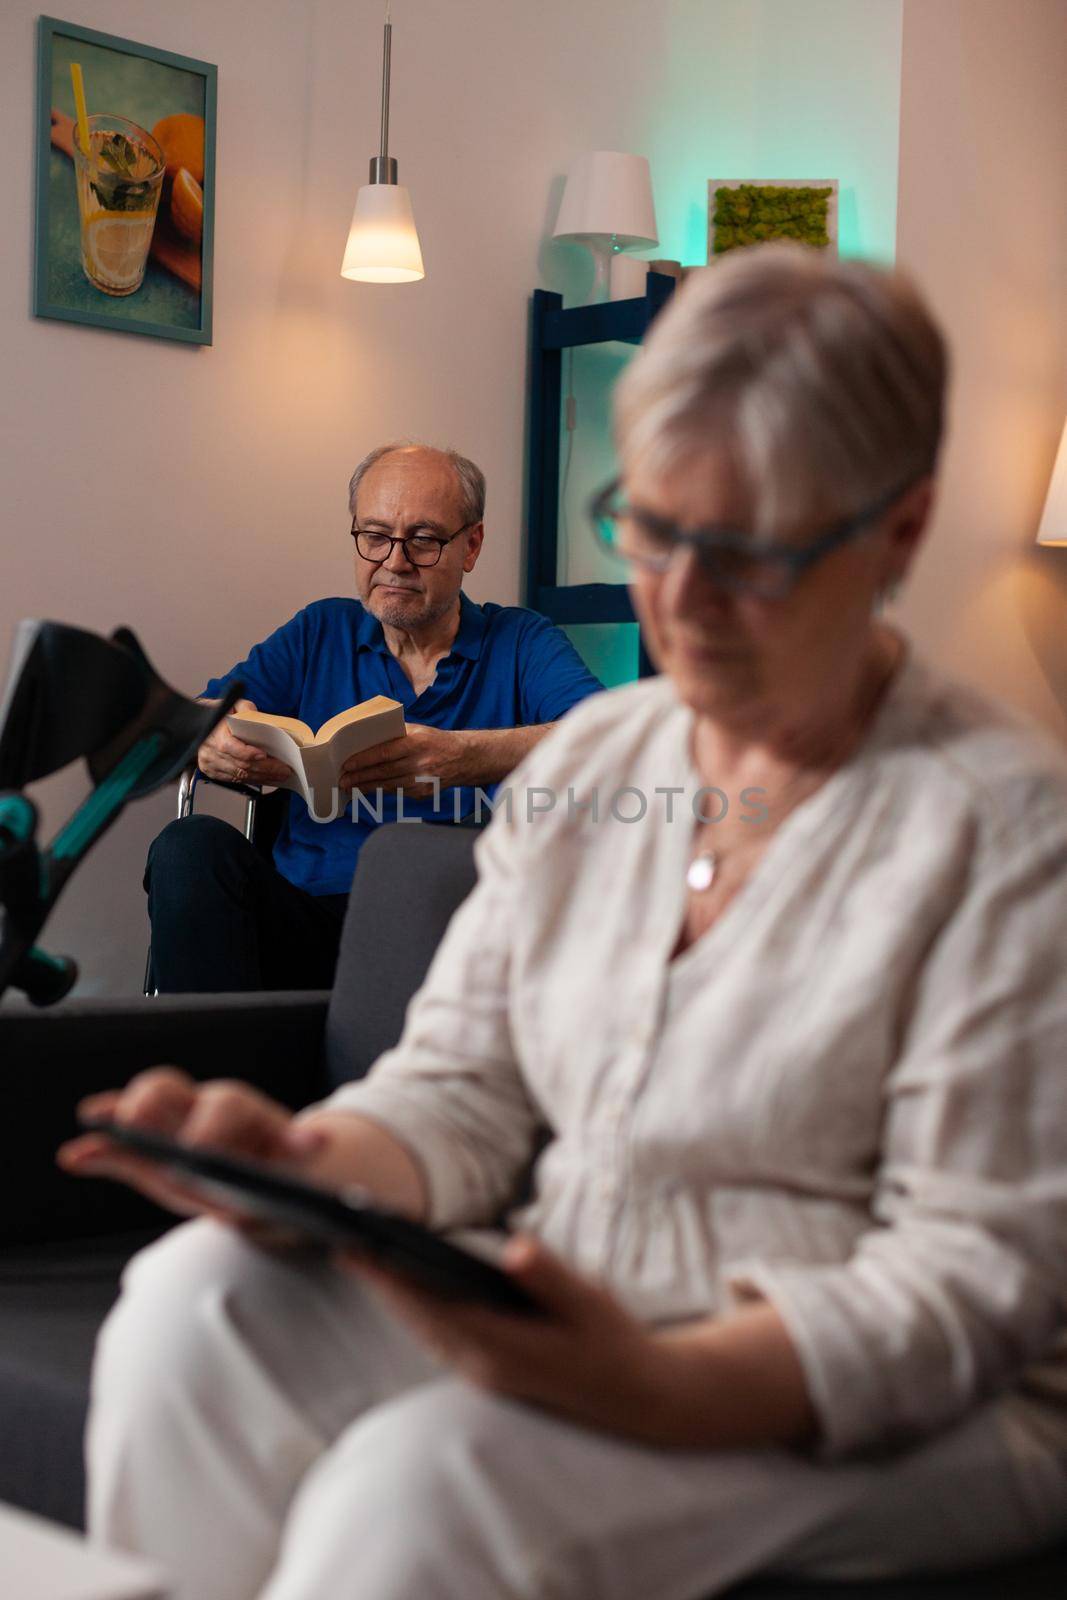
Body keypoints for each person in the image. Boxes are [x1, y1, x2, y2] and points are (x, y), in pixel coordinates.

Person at [63, 245, 1067, 1600]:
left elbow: (966, 1281)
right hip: (595, 1288)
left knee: (424, 1486)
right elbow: (460, 1090)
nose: (683, 602)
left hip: (912, 1387)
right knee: (188, 1314)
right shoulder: (604, 758)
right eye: (650, 530)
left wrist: (655, 1385)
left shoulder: (1001, 827)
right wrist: (310, 1159)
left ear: (896, 527)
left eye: (752, 548)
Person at [144, 443, 603, 991]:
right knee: (187, 848)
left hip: (455, 937)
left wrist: (466, 757)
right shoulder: (319, 631)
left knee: (409, 861)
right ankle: (206, 1071)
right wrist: (212, 734)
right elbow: (197, 713)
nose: (395, 562)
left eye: (424, 540)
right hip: (311, 922)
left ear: (471, 545)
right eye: (376, 536)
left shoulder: (522, 642)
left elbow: (608, 737)